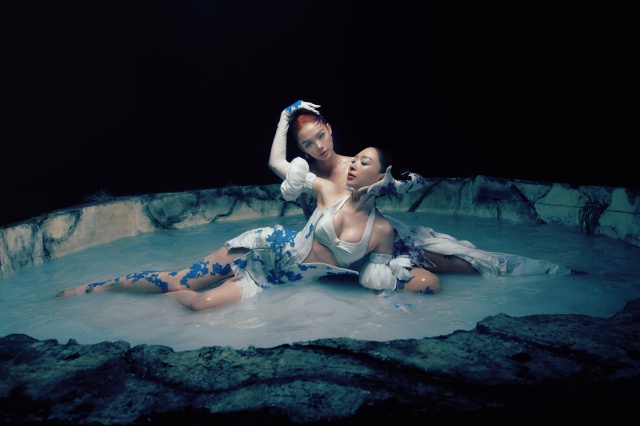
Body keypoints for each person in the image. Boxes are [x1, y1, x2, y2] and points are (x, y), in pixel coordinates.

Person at [56, 146, 441, 312]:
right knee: (178, 279)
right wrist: (285, 120)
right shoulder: (329, 190)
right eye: (354, 159)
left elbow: (379, 285)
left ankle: (157, 306)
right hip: (260, 249)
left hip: (273, 280)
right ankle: (96, 288)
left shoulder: (381, 232)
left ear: (383, 176)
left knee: (199, 305)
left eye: (364, 162)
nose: (353, 164)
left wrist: (399, 311)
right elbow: (279, 165)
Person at [269, 100, 576, 277]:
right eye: (307, 143)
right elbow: (275, 162)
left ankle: (558, 273)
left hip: (382, 246)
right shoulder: (303, 175)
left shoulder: (357, 164)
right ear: (301, 148)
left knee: (467, 262)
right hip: (333, 254)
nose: (318, 146)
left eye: (320, 135)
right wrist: (285, 117)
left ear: (329, 128)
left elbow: (418, 181)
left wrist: (393, 186)